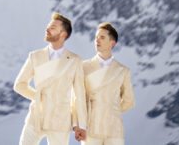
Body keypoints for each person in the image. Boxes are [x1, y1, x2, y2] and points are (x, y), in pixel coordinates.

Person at [14, 12, 88, 144]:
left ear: (63, 34)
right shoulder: (34, 56)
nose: (47, 29)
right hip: (36, 118)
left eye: (53, 28)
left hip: (60, 121)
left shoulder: (75, 61)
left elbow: (79, 96)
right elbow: (19, 85)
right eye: (48, 26)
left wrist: (80, 125)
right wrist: (39, 97)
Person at [74, 22, 135, 144]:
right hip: (91, 129)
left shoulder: (123, 71)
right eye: (96, 37)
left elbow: (129, 101)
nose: (97, 40)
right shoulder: (83, 67)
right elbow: (76, 99)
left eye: (102, 37)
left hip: (114, 131)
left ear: (112, 43)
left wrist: (111, 109)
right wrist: (77, 126)